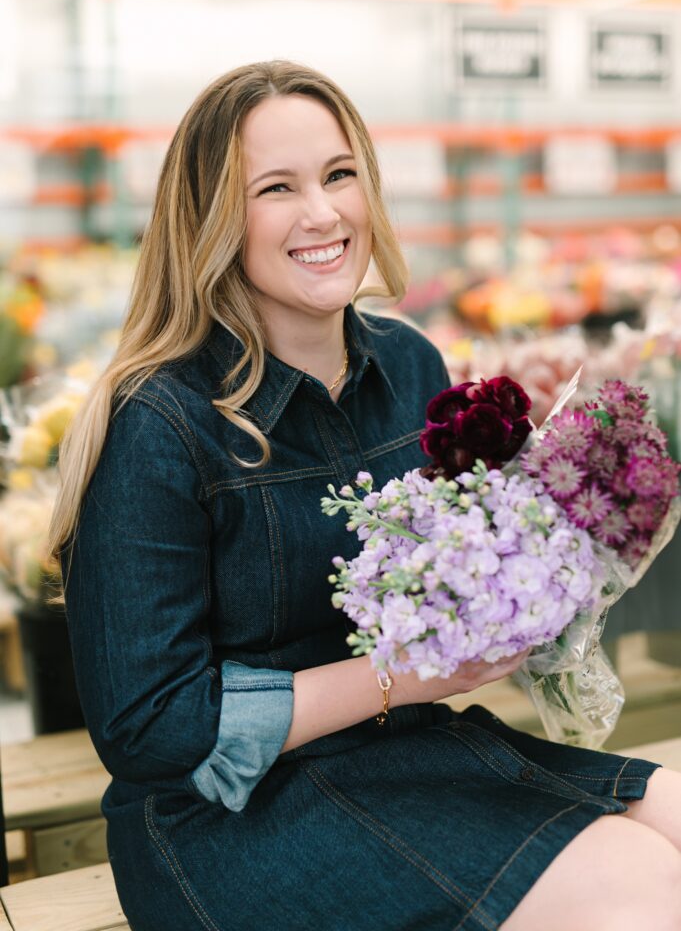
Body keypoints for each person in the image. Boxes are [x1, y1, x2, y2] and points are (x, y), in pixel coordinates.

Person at [49, 60, 681, 931]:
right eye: (276, 188)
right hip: (230, 814)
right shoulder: (159, 421)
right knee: (631, 884)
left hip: (406, 751)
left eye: (339, 174)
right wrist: (409, 673)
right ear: (212, 220)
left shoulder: (406, 362)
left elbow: (447, 574)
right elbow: (150, 729)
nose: (322, 213)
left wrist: (535, 575)